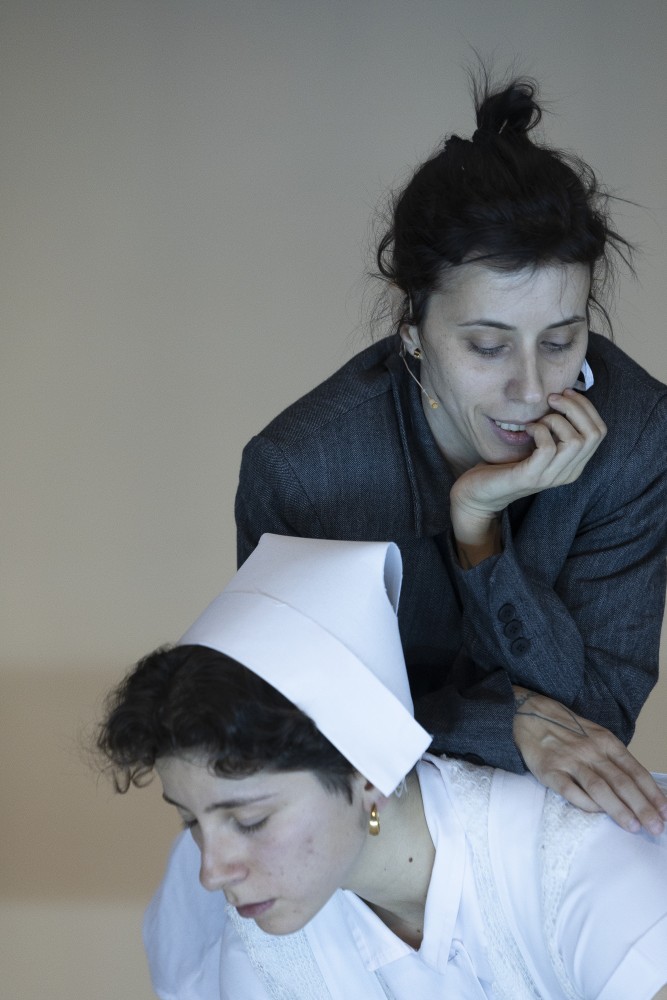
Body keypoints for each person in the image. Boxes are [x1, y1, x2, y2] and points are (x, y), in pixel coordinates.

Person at [234, 73, 667, 832]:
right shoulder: (304, 471)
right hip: (362, 838)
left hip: (541, 833)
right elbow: (306, 732)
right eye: (487, 346)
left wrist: (478, 532)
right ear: (412, 331)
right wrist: (508, 718)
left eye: (561, 341)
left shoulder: (635, 434)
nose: (530, 389)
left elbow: (596, 714)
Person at [98, 534, 667, 1000]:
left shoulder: (574, 863)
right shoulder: (267, 950)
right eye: (191, 822)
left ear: (366, 769)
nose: (211, 873)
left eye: (250, 820)